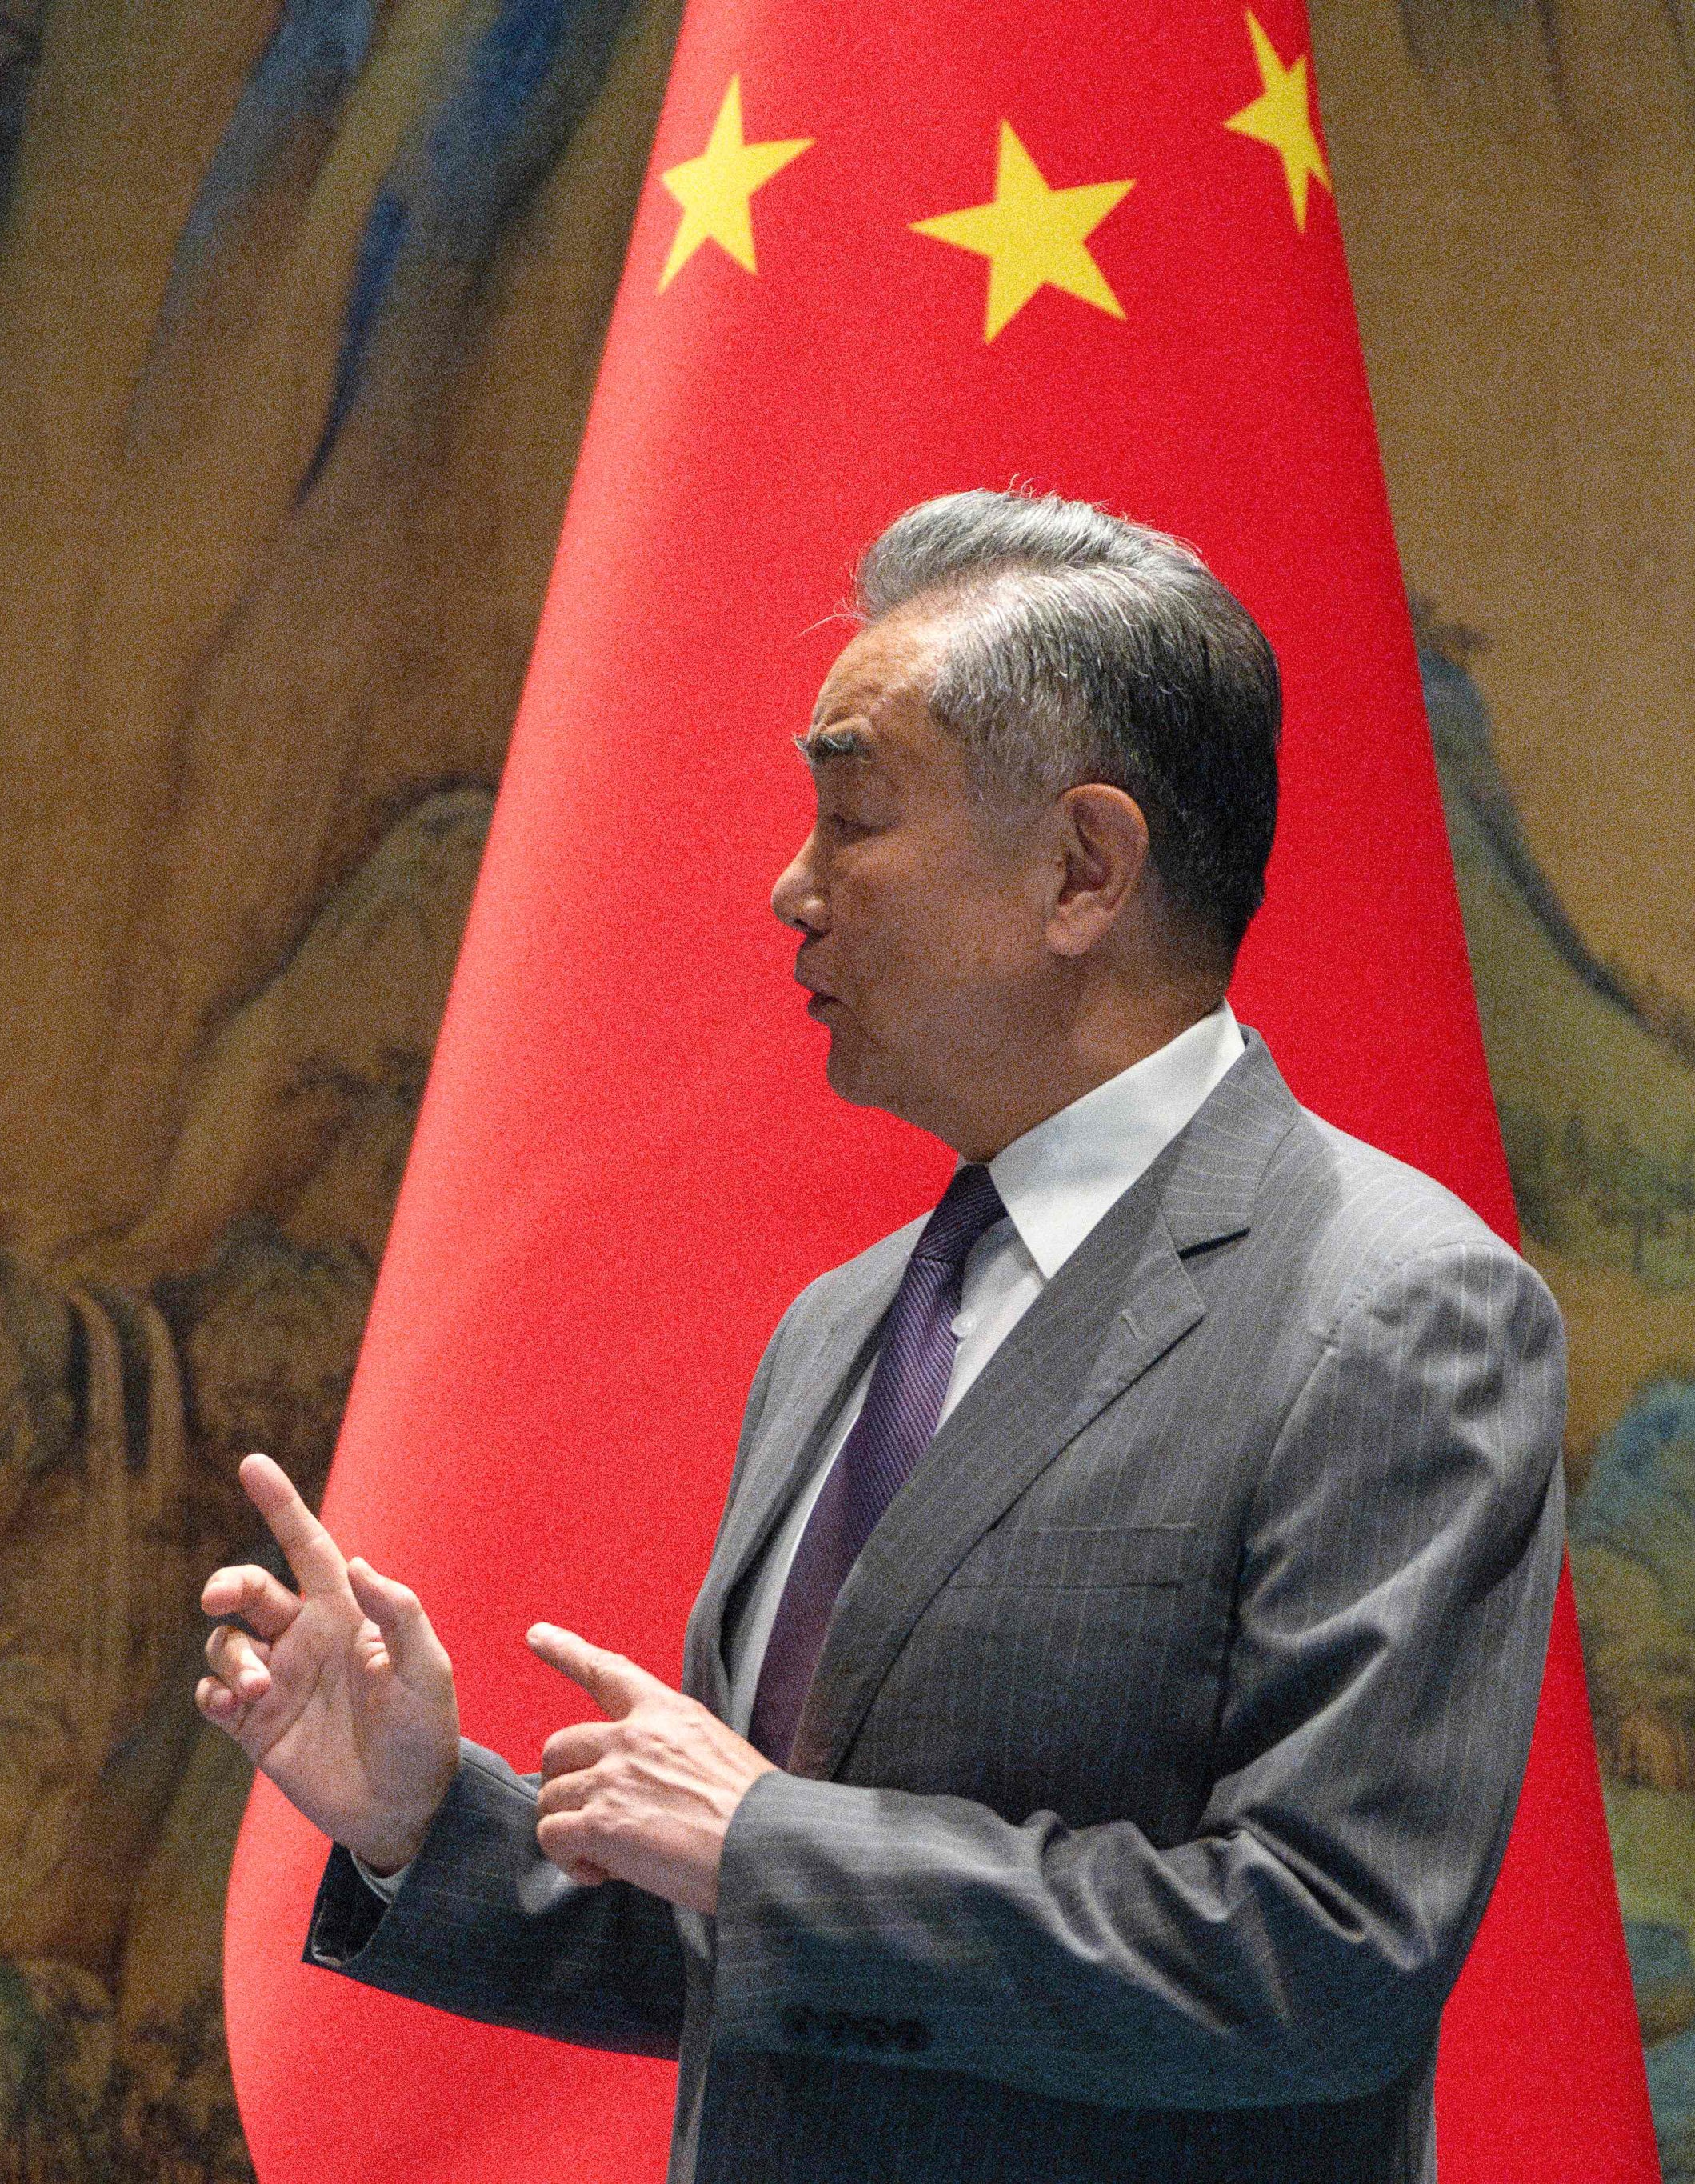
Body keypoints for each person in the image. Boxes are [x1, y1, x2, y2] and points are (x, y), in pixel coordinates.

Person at [197, 490, 1565, 2183]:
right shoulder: (842, 1325)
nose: (789, 888)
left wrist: (770, 1844)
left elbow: (1325, 1954)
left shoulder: (1390, 1309)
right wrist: (424, 1819)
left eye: (850, 815)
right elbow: (771, 1942)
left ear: (1081, 868)